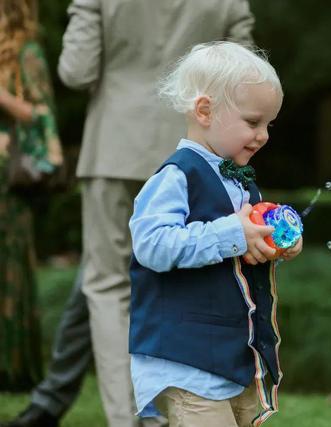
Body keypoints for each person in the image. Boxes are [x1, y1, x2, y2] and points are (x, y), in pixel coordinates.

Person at [3, 1, 256, 426]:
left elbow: (75, 70)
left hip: (115, 148)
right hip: (195, 152)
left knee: (106, 285)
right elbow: (245, 76)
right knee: (184, 276)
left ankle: (131, 418)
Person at [128, 41, 302, 427]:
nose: (264, 136)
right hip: (189, 357)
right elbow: (152, 245)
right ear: (205, 111)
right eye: (253, 122)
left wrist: (270, 242)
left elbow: (235, 245)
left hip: (234, 356)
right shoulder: (176, 176)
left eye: (268, 125)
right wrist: (232, 233)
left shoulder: (240, 183)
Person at [0, 0, 63, 393]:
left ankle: (13, 368)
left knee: (9, 269)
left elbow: (42, 114)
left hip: (10, 178)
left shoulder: (28, 52)